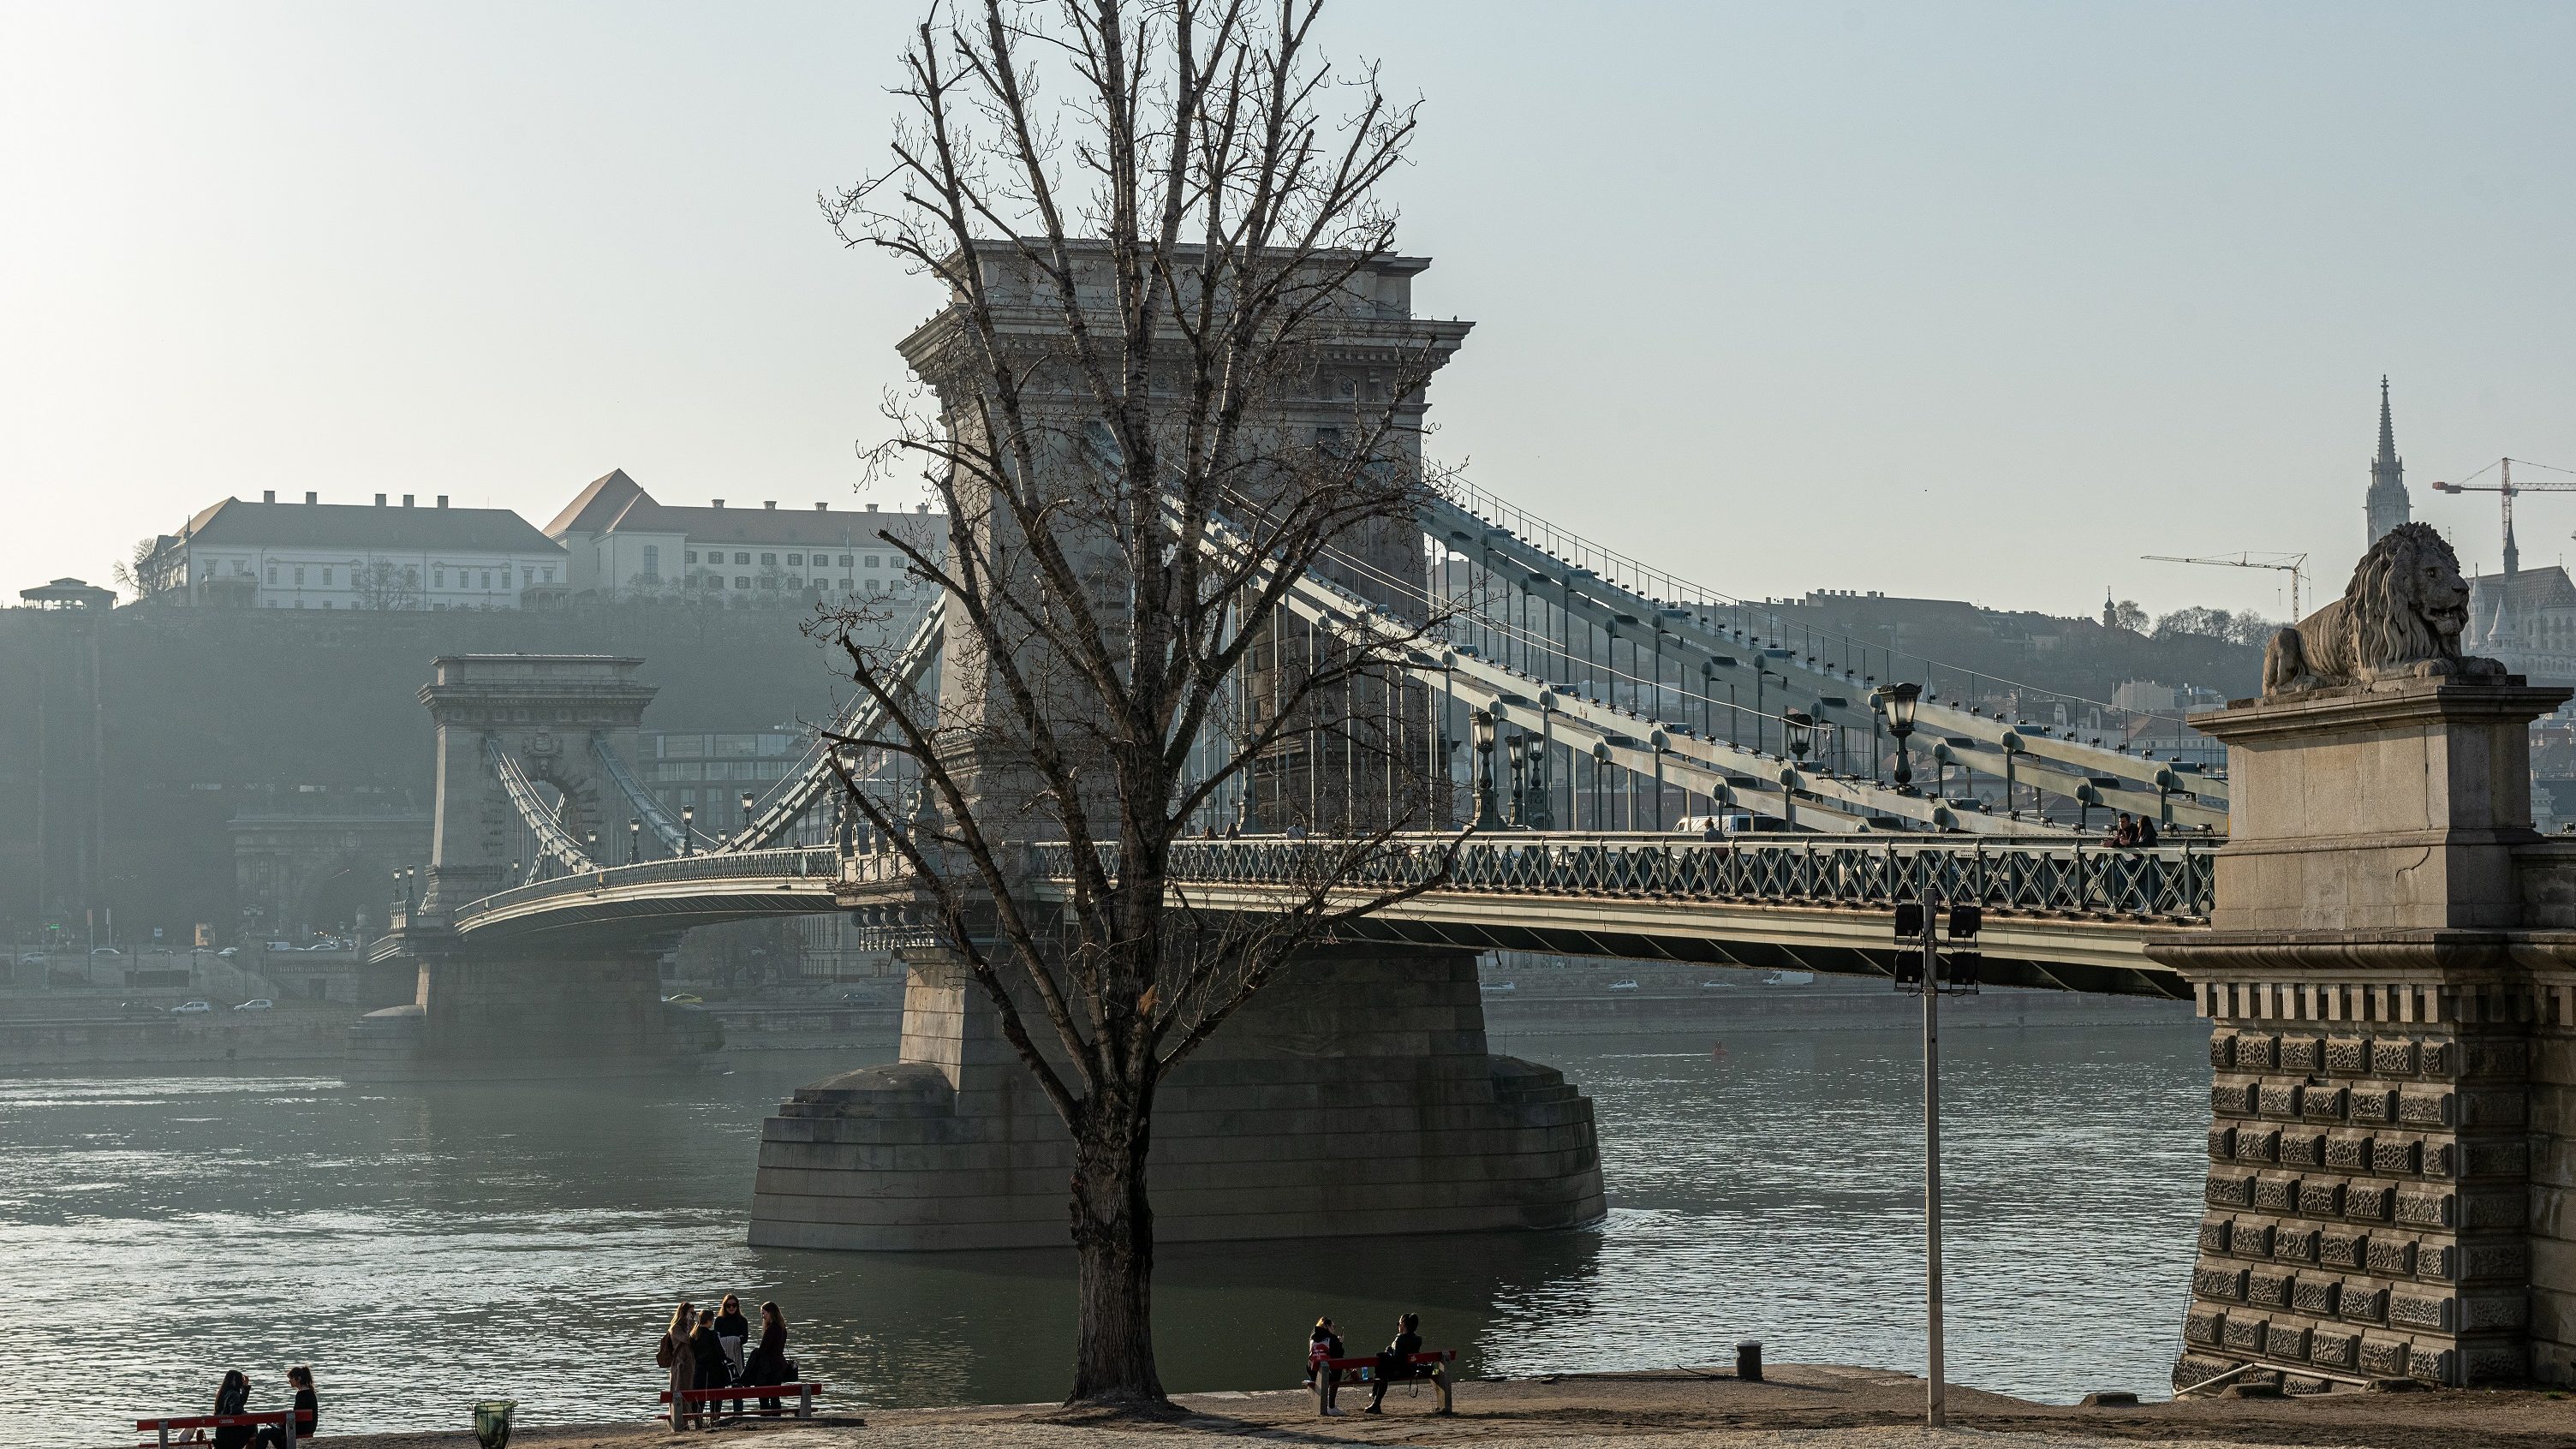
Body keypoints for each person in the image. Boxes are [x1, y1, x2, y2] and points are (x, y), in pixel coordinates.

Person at [1365, 1313, 1423, 1415]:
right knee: (1381, 1367)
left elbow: (1396, 1359)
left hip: (1398, 1372)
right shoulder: (1418, 1339)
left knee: (1381, 1366)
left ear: (1404, 1324)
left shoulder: (1400, 1339)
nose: (1398, 1326)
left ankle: (1375, 1400)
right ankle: (1375, 1401)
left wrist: (1389, 1350)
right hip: (1411, 1371)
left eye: (1399, 1323)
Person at [741, 1301, 792, 1415]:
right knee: (775, 1395)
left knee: (764, 1395)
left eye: (764, 1313)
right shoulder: (782, 1328)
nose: (763, 1317)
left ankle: (766, 1416)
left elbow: (763, 1350)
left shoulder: (772, 1329)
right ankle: (776, 1416)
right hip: (779, 1365)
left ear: (771, 1313)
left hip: (769, 1368)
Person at [250, 1368, 316, 1448]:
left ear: (298, 1379)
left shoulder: (301, 1394)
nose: (289, 1381)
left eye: (291, 1379)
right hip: (310, 1427)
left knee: (264, 1432)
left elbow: (297, 1418)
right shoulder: (311, 1393)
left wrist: (283, 1423)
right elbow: (299, 1414)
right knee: (273, 1432)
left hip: (299, 1429)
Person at [658, 1302, 697, 1429]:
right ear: (684, 1313)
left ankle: (686, 1422)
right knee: (678, 1393)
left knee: (689, 1393)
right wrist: (690, 1324)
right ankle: (679, 1423)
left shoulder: (690, 1326)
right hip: (679, 1366)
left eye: (695, 1313)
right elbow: (687, 1339)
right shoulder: (676, 1328)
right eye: (692, 1313)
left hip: (689, 1365)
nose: (694, 1315)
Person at [689, 1307, 728, 1407]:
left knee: (699, 1403)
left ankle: (698, 1421)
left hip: (699, 1372)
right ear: (709, 1320)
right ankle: (714, 1420)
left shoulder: (693, 1336)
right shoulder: (712, 1335)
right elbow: (721, 1353)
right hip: (714, 1373)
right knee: (716, 1402)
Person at [1305, 1317, 1345, 1415]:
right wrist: (1340, 1343)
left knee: (1326, 1368)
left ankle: (1319, 1405)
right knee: (1337, 1369)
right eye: (1333, 1327)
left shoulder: (1312, 1338)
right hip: (1328, 1374)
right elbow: (1339, 1355)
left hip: (1313, 1373)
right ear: (1327, 1326)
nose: (1334, 1329)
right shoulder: (1332, 1338)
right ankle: (1331, 1407)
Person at [211, 1372, 254, 1449]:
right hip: (230, 1434)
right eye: (240, 1380)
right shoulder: (234, 1394)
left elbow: (239, 1403)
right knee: (253, 1427)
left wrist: (245, 1387)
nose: (241, 1382)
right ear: (234, 1380)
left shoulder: (223, 1393)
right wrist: (244, 1413)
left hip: (220, 1432)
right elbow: (236, 1411)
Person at [713, 1296, 750, 1383]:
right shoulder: (719, 1320)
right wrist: (736, 1338)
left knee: (738, 1378)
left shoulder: (742, 1320)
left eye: (734, 1305)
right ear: (724, 1306)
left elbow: (744, 1340)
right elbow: (716, 1339)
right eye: (728, 1305)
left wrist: (734, 1340)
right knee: (722, 1378)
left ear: (737, 1306)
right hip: (723, 1354)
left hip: (738, 1352)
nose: (731, 1308)